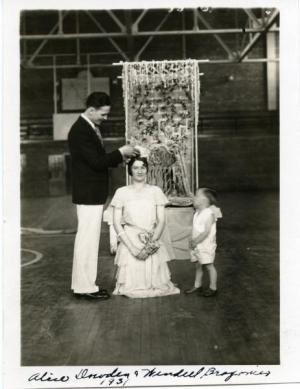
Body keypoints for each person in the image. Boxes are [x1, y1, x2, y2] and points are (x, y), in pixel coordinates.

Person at [68, 92, 139, 300]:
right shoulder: (81, 130)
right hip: (88, 193)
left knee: (87, 240)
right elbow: (96, 163)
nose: (105, 118)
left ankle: (82, 284)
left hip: (91, 193)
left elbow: (98, 159)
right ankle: (84, 287)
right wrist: (121, 151)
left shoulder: (89, 127)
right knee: (87, 241)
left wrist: (119, 159)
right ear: (91, 110)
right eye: (103, 114)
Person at [110, 156, 180, 298]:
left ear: (147, 169)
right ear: (130, 171)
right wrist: (133, 249)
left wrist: (150, 246)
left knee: (157, 282)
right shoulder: (121, 192)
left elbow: (161, 221)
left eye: (142, 167)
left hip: (151, 237)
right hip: (130, 238)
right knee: (131, 284)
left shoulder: (155, 191)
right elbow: (117, 223)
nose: (139, 171)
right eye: (135, 168)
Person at [185, 188, 222, 297]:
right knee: (198, 265)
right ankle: (197, 285)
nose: (193, 198)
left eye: (196, 196)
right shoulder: (197, 212)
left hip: (205, 245)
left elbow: (206, 232)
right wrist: (192, 195)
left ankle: (213, 288)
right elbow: (195, 201)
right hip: (196, 245)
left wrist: (195, 241)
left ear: (204, 200)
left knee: (209, 266)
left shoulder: (209, 214)